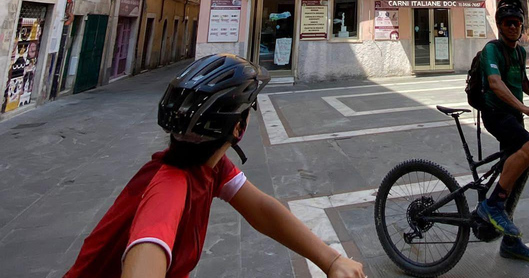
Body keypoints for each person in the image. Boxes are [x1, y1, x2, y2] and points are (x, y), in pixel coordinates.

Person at [63, 54, 365, 278]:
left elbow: (262, 210)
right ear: (238, 129)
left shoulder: (208, 167)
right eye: (249, 110)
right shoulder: (169, 188)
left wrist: (331, 261)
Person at [476, 0, 529, 262]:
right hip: (496, 115)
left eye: (517, 23)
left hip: (514, 117)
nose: (513, 27)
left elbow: (522, 79)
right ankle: (491, 205)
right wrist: (525, 108)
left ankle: (510, 243)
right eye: (508, 23)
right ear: (499, 25)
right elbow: (496, 83)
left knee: (515, 178)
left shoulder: (520, 52)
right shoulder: (492, 49)